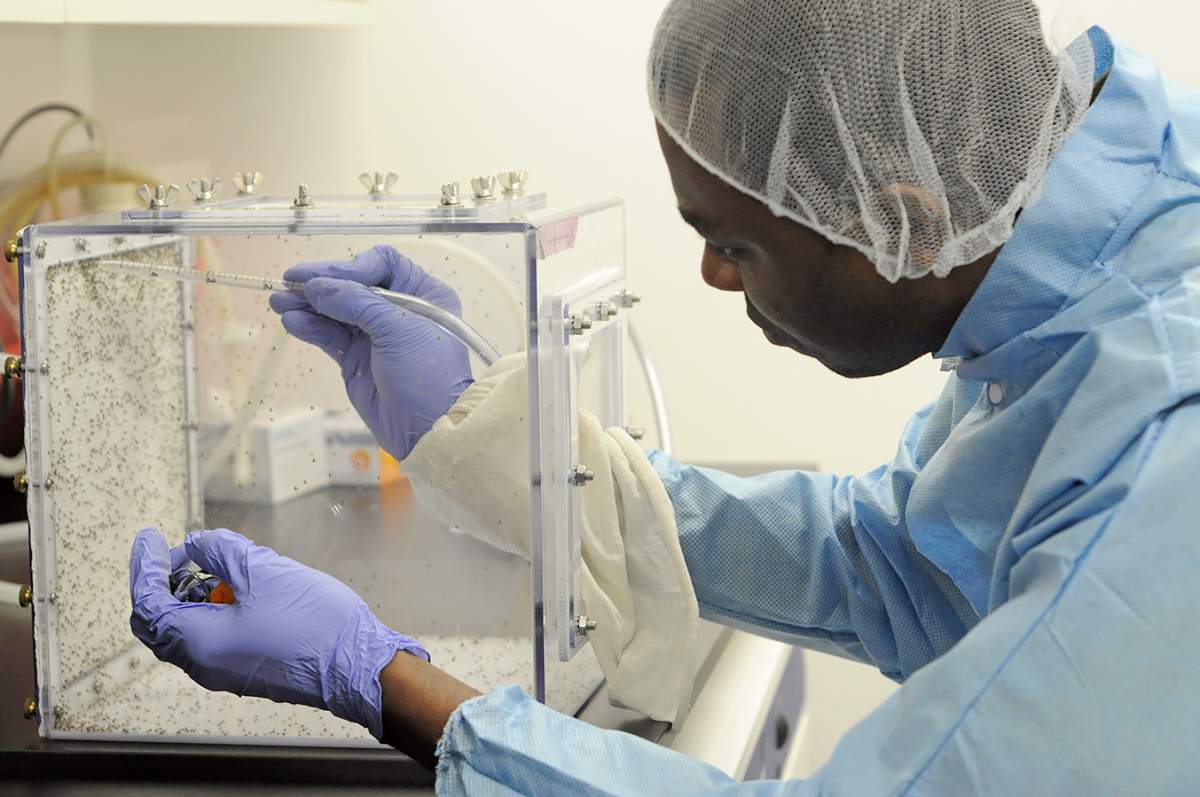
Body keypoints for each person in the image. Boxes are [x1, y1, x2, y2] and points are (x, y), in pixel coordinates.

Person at [130, 0, 1200, 793]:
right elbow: (904, 566)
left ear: (908, 224)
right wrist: (490, 435)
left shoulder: (1165, 446)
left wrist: (387, 681)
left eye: (735, 242)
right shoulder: (1095, 259)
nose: (712, 279)